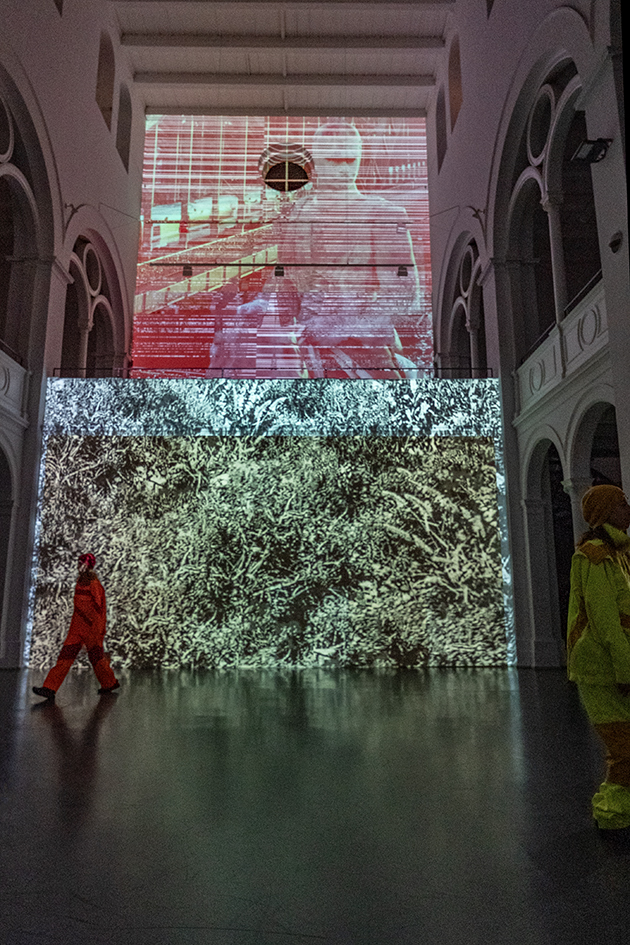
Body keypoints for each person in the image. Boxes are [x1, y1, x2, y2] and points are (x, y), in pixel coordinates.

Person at [230, 121, 426, 378]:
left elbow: (405, 296)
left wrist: (340, 326)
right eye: (334, 160)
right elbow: (286, 280)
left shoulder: (385, 215)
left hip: (364, 354)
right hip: (305, 349)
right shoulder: (298, 214)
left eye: (350, 159)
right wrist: (264, 305)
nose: (344, 169)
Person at [567, 484, 630, 832]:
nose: (627, 509)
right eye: (621, 504)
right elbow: (605, 621)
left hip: (616, 663)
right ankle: (611, 814)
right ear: (605, 513)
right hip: (600, 668)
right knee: (624, 747)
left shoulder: (620, 552)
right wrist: (625, 669)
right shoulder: (594, 556)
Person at [33, 553, 120, 700]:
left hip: (91, 630)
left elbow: (99, 610)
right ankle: (49, 688)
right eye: (78, 563)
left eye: (81, 563)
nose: (78, 566)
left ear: (87, 565)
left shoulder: (94, 585)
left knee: (97, 660)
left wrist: (97, 631)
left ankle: (109, 682)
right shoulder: (81, 582)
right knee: (65, 658)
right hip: (77, 629)